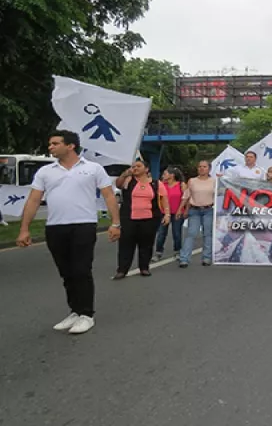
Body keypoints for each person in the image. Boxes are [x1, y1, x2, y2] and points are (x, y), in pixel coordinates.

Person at [16, 130, 121, 335]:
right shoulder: (46, 172)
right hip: (55, 227)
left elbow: (109, 196)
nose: (50, 147)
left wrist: (115, 223)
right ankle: (74, 310)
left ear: (70, 146)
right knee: (66, 273)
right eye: (50, 144)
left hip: (83, 225)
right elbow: (34, 200)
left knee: (81, 270)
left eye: (55, 143)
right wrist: (24, 229)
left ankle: (86, 315)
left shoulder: (93, 168)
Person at [113, 160, 170, 279]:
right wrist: (125, 174)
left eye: (138, 166)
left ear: (146, 169)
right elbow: (118, 185)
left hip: (149, 218)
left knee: (146, 244)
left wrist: (167, 214)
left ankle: (144, 267)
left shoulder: (156, 183)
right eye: (133, 166)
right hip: (129, 218)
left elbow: (164, 198)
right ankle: (122, 269)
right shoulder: (128, 180)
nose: (135, 168)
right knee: (126, 244)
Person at [178, 160, 215, 267]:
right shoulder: (192, 181)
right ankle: (184, 258)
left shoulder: (214, 181)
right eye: (200, 166)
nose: (202, 168)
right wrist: (181, 209)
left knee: (207, 234)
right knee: (191, 234)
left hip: (208, 210)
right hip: (194, 210)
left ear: (209, 169)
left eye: (204, 166)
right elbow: (186, 196)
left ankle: (206, 258)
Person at [155, 166, 187, 261]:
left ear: (172, 175)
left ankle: (177, 251)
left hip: (177, 212)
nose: (163, 175)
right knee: (161, 233)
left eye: (165, 174)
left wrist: (182, 210)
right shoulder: (161, 185)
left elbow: (185, 198)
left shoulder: (181, 185)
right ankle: (158, 252)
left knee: (176, 233)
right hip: (164, 213)